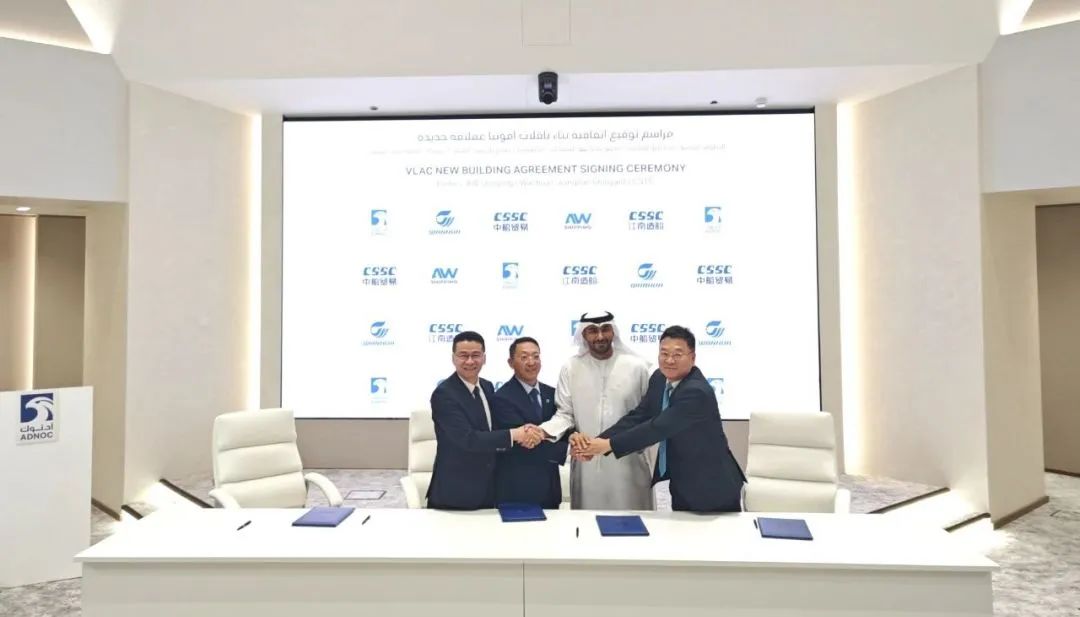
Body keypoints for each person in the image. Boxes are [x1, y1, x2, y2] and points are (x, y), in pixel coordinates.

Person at [573, 325, 746, 512]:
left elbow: (657, 428)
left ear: (693, 358)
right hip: (682, 480)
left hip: (713, 485)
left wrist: (608, 445)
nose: (669, 360)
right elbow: (639, 416)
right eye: (664, 353)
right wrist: (598, 441)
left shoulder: (696, 392)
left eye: (677, 354)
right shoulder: (659, 378)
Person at [538, 311, 654, 510]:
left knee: (632, 522)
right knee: (587, 522)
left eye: (605, 329)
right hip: (586, 464)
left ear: (613, 331)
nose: (600, 336)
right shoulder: (571, 368)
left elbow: (648, 415)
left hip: (629, 463)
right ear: (583, 334)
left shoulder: (638, 367)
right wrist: (542, 431)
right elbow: (565, 414)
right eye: (592, 331)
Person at [426, 330, 541, 510]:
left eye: (475, 355)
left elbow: (492, 429)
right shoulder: (444, 394)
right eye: (463, 355)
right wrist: (515, 434)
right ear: (453, 358)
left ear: (484, 358)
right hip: (455, 492)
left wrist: (529, 433)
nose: (470, 361)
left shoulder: (487, 387)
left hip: (488, 488)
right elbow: (468, 439)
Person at [492, 337, 568, 509]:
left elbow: (562, 429)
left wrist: (574, 438)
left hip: (550, 487)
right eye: (524, 357)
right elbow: (524, 442)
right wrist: (570, 450)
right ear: (511, 362)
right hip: (516, 487)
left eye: (536, 356)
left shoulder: (552, 393)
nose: (531, 362)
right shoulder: (501, 398)